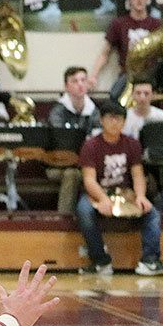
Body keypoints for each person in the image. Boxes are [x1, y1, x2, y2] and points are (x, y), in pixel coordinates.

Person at [75, 100, 163, 276]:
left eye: (119, 119)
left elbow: (137, 174)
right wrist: (103, 199)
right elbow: (89, 180)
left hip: (125, 194)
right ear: (102, 120)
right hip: (97, 194)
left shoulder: (132, 144)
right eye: (110, 118)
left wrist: (141, 196)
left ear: (124, 122)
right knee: (84, 211)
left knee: (152, 213)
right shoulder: (90, 146)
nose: (114, 123)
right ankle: (100, 261)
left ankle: (149, 261)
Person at [89, 0, 163, 101]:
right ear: (129, 0)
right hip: (129, 75)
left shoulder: (156, 24)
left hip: (151, 76)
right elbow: (104, 53)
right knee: (115, 97)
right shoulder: (119, 24)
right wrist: (93, 76)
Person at [48, 65, 101, 214]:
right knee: (71, 175)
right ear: (66, 86)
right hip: (59, 164)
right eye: (75, 81)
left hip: (86, 164)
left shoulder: (94, 110)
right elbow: (60, 141)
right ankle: (64, 219)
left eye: (83, 80)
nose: (80, 84)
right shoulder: (57, 111)